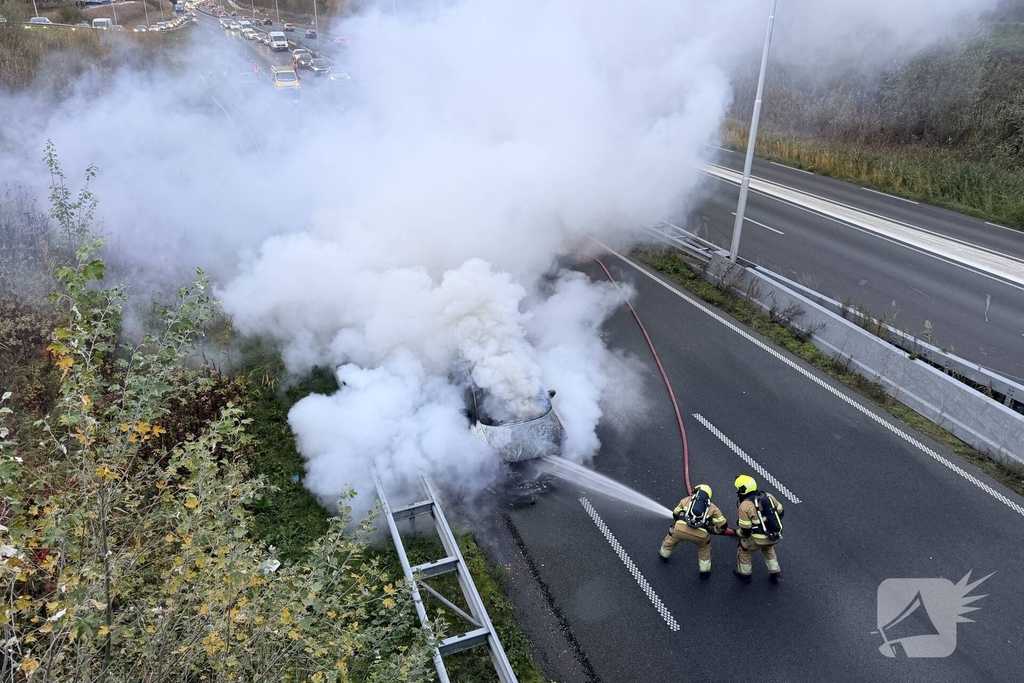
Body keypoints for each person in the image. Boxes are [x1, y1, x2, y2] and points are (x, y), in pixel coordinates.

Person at [659, 484, 727, 578]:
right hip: (700, 536)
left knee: (671, 539)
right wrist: (714, 531)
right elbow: (723, 526)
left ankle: (663, 556)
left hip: (680, 530)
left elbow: (675, 513)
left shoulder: (686, 500)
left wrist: (680, 522)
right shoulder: (713, 508)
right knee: (704, 549)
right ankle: (704, 572)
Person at [733, 475, 784, 581]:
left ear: (742, 490)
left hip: (757, 539)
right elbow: (781, 511)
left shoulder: (745, 506)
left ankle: (744, 574)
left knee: (743, 550)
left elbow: (745, 530)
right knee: (768, 548)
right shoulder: (768, 496)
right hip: (774, 536)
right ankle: (775, 572)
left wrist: (737, 533)